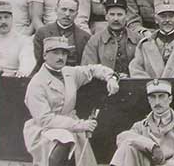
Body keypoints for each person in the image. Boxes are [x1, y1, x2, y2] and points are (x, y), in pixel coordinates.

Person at [23, 36, 120, 166]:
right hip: (44, 131)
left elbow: (92, 69)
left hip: (71, 127)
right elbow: (44, 119)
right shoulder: (37, 83)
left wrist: (111, 77)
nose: (60, 57)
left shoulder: (69, 73)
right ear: (45, 55)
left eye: (64, 53)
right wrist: (79, 125)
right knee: (63, 142)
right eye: (56, 53)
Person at [110, 79, 174, 166]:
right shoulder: (140, 126)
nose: (157, 102)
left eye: (161, 96)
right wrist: (152, 147)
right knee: (127, 145)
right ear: (149, 100)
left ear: (170, 99)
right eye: (153, 97)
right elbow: (122, 138)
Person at [81, 0, 139, 74]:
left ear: (126, 16)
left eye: (119, 15)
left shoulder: (138, 39)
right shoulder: (95, 41)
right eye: (112, 14)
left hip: (133, 84)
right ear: (106, 16)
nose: (115, 19)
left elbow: (145, 69)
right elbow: (88, 70)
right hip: (103, 84)